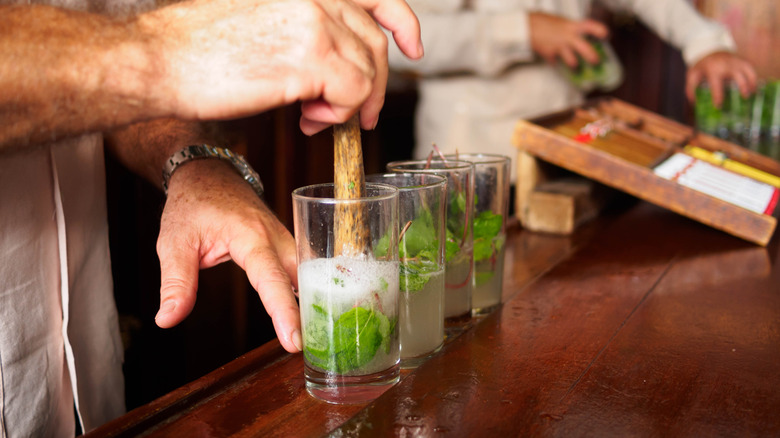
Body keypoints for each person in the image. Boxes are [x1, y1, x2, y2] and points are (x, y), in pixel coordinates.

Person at [0, 0, 423, 435]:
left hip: (90, 380)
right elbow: (119, 53)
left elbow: (98, 74)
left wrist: (192, 164)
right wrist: (166, 49)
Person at [385, 0, 758, 180]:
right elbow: (395, 41)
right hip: (467, 174)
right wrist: (523, 30)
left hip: (569, 156)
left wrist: (705, 43)